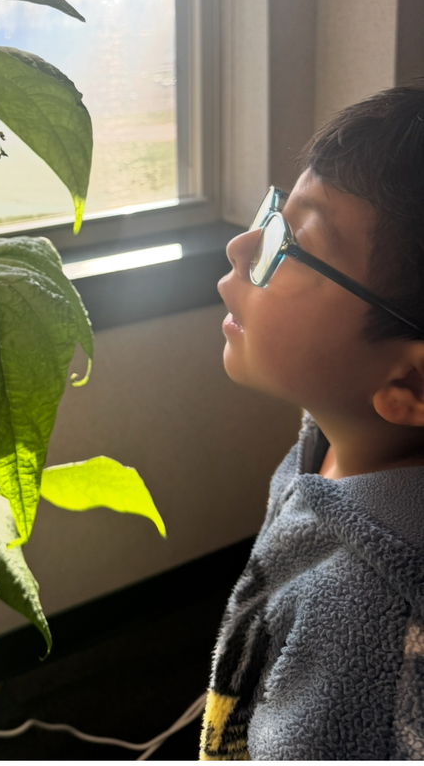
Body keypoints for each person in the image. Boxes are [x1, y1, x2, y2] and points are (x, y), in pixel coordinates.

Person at [199, 86, 424, 760]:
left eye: (289, 246)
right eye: (274, 216)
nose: (241, 246)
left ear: (408, 385)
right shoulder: (334, 437)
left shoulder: (363, 616)